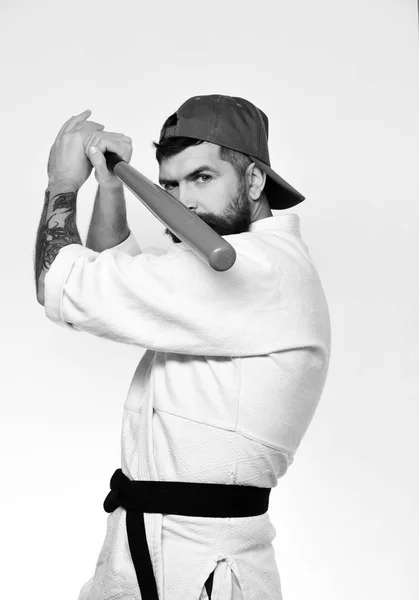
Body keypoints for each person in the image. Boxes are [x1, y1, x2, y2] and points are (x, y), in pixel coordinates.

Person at [34, 95, 331, 600]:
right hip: (150, 548)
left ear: (255, 181)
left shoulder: (256, 269)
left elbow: (61, 284)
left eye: (202, 177)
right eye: (170, 184)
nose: (184, 202)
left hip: (201, 572)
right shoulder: (239, 272)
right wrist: (110, 187)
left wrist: (62, 185)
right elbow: (118, 276)